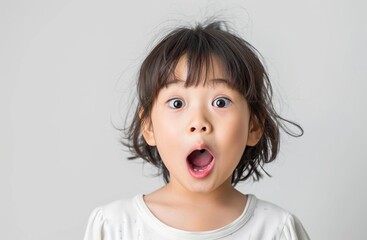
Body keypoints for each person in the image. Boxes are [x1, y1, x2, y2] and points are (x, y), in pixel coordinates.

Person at [84, 19, 310, 240]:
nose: (198, 122)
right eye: (177, 103)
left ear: (254, 126)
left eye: (220, 102)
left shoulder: (277, 229)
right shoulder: (114, 226)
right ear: (149, 126)